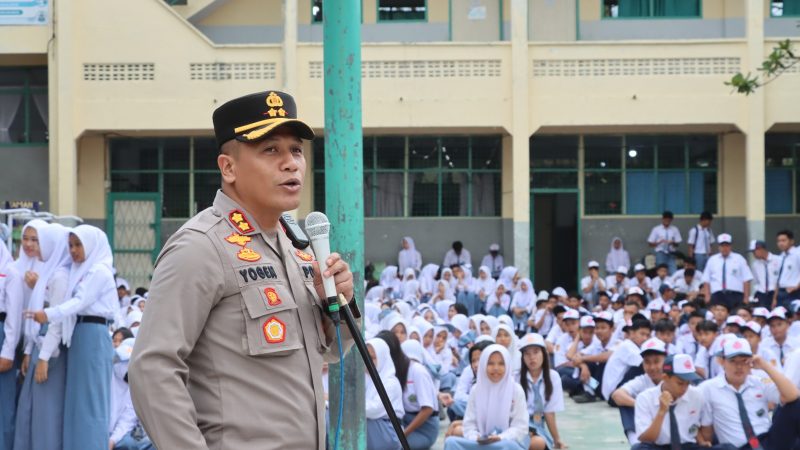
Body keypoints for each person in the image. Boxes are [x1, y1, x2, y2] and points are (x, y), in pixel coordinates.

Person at [127, 91, 356, 450]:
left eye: (296, 149)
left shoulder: (296, 248)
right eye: (270, 150)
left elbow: (327, 351)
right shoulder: (201, 247)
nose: (291, 163)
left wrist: (339, 303)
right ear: (228, 168)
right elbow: (152, 370)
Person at [25, 225, 117, 450]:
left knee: (90, 404)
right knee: (76, 405)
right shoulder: (83, 272)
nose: (74, 251)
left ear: (92, 246)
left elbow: (78, 302)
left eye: (78, 245)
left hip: (93, 336)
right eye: (71, 245)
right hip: (81, 336)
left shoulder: (99, 272)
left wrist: (47, 314)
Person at [14, 224, 71, 450]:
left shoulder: (59, 276)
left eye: (38, 241)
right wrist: (29, 350)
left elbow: (54, 320)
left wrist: (44, 357)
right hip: (39, 346)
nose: (33, 246)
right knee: (32, 411)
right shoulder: (49, 272)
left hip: (50, 351)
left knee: (46, 415)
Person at [699, 338, 800, 449]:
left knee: (795, 405)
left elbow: (793, 395)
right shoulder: (708, 388)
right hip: (738, 447)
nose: (739, 367)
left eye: (744, 361)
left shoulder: (759, 382)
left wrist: (764, 366)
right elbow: (705, 427)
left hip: (766, 441)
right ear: (722, 362)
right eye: (733, 361)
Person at [444, 345, 529, 450]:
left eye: (501, 363)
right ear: (483, 364)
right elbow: (469, 424)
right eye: (490, 363)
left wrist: (500, 437)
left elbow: (521, 427)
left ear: (508, 365)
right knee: (451, 442)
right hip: (481, 443)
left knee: (509, 447)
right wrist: (476, 437)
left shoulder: (516, 390)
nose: (496, 368)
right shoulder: (476, 389)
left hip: (505, 443)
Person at [632, 354, 704, 450]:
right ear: (665, 377)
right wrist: (661, 411)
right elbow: (646, 438)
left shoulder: (696, 394)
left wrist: (703, 442)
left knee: (727, 447)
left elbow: (695, 427)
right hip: (658, 447)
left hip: (688, 446)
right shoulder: (645, 398)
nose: (685, 388)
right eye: (680, 383)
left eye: (688, 383)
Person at [611, 338, 667, 445]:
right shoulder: (643, 379)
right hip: (648, 425)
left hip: (668, 428)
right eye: (647, 362)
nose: (652, 367)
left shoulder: (672, 379)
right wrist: (642, 405)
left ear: (665, 360)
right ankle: (635, 442)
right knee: (625, 404)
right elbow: (617, 395)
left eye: (656, 361)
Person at [518, 333, 566, 450]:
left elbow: (549, 412)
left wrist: (557, 439)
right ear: (522, 357)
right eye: (527, 353)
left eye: (536, 352)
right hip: (518, 424)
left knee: (539, 443)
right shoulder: (515, 378)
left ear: (544, 354)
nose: (532, 357)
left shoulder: (553, 377)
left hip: (538, 426)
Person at [0, 237, 24, 450]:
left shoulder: (10, 272)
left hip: (2, 339)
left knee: (3, 406)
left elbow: (14, 317)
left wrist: (7, 352)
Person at [399, 339, 439, 450]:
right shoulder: (405, 370)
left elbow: (427, 409)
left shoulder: (418, 370)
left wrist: (403, 434)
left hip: (424, 429)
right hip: (407, 421)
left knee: (395, 444)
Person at [365, 338, 404, 450]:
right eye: (365, 356)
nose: (367, 361)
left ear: (382, 358)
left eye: (372, 358)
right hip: (375, 429)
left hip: (386, 431)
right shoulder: (367, 378)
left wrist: (347, 404)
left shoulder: (390, 383)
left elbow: (374, 410)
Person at [601, 319, 652, 401]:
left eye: (647, 335)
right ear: (632, 333)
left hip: (612, 391)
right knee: (645, 366)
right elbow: (644, 363)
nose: (645, 338)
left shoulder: (632, 346)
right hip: (614, 394)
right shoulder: (628, 346)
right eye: (642, 334)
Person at [702, 233, 752, 312]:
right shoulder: (712, 260)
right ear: (719, 247)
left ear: (730, 246)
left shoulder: (739, 259)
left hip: (735, 295)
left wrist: (746, 298)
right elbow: (706, 280)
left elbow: (746, 279)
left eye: (727, 245)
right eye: (722, 246)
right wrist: (707, 296)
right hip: (717, 295)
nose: (724, 248)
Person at [749, 239, 780, 309]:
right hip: (762, 293)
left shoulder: (778, 260)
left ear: (761, 249)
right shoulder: (755, 264)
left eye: (754, 251)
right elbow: (756, 281)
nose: (753, 254)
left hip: (774, 292)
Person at [774, 229, 800, 309]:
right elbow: (778, 278)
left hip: (793, 292)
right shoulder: (781, 257)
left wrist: (797, 287)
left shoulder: (797, 253)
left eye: (783, 240)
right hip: (781, 292)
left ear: (791, 241)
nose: (780, 243)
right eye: (778, 241)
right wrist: (775, 298)